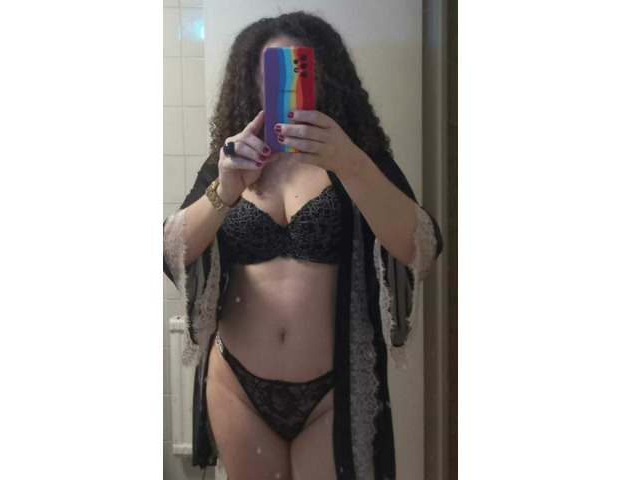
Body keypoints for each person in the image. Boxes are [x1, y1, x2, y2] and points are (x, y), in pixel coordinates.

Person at [163, 11, 443, 480]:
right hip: (236, 385)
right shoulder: (231, 160)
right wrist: (225, 189)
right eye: (269, 73)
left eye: (297, 69)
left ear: (323, 76)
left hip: (331, 392)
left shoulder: (358, 156)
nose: (282, 88)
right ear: (250, 80)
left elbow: (420, 248)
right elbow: (174, 251)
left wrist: (351, 163)